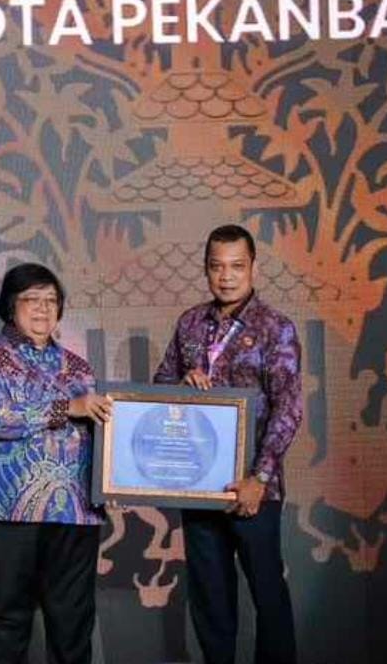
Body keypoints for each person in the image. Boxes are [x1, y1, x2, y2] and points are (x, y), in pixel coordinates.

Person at [153, 224, 302, 664]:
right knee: (210, 599)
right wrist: (181, 385)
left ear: (253, 267)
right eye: (217, 266)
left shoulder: (276, 328)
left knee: (268, 595)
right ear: (206, 269)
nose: (227, 276)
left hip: (253, 487)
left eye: (237, 266)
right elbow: (159, 389)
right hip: (199, 484)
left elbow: (289, 408)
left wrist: (260, 478)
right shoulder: (190, 323)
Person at [0, 263, 113, 664]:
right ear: (10, 306)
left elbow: (101, 432)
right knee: (7, 619)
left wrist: (112, 478)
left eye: (51, 300)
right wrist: (67, 407)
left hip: (75, 511)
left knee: (73, 623)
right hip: (9, 511)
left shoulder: (78, 367)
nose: (43, 308)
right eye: (32, 299)